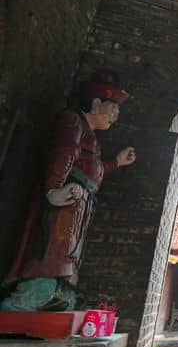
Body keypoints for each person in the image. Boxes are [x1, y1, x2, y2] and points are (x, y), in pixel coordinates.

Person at [1, 72, 136, 311]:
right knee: (55, 245)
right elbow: (64, 154)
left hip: (81, 198)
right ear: (95, 104)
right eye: (113, 108)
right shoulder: (73, 121)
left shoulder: (91, 136)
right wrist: (54, 188)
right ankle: (33, 293)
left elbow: (93, 170)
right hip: (68, 194)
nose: (116, 116)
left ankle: (57, 291)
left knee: (70, 250)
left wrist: (115, 162)